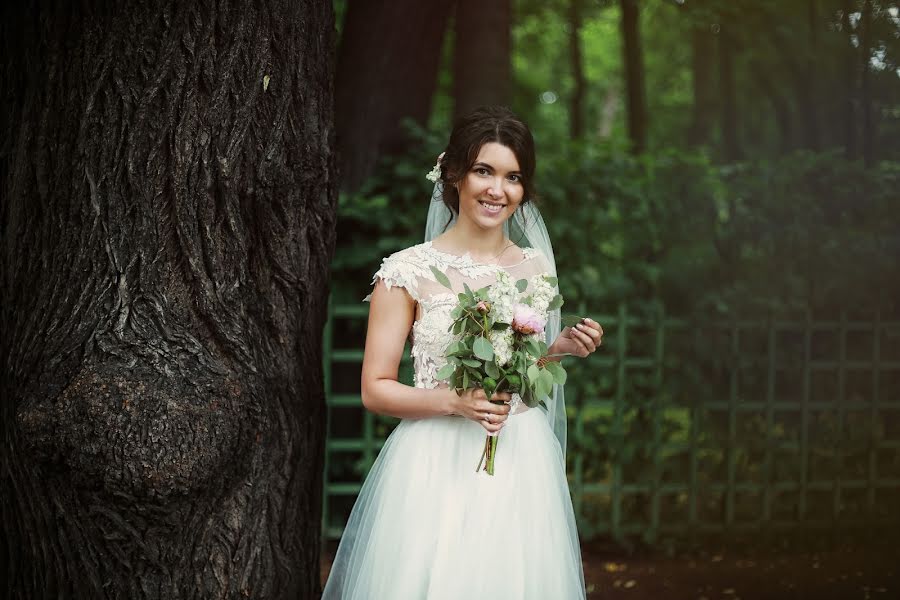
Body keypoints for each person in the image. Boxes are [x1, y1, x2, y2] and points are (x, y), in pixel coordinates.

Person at [322, 106, 603, 599]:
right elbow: (374, 389)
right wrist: (454, 401)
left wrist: (555, 350)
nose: (498, 189)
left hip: (517, 458)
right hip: (434, 463)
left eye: (513, 177)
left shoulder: (533, 268)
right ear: (452, 173)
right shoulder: (406, 271)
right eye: (484, 171)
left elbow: (518, 377)